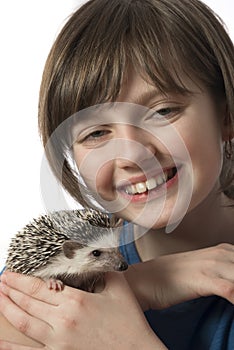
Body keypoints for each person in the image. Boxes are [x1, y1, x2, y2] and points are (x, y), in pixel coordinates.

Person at [0, 0, 234, 348]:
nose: (132, 155)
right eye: (95, 133)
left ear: (227, 112)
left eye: (163, 111)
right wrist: (140, 284)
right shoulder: (41, 270)